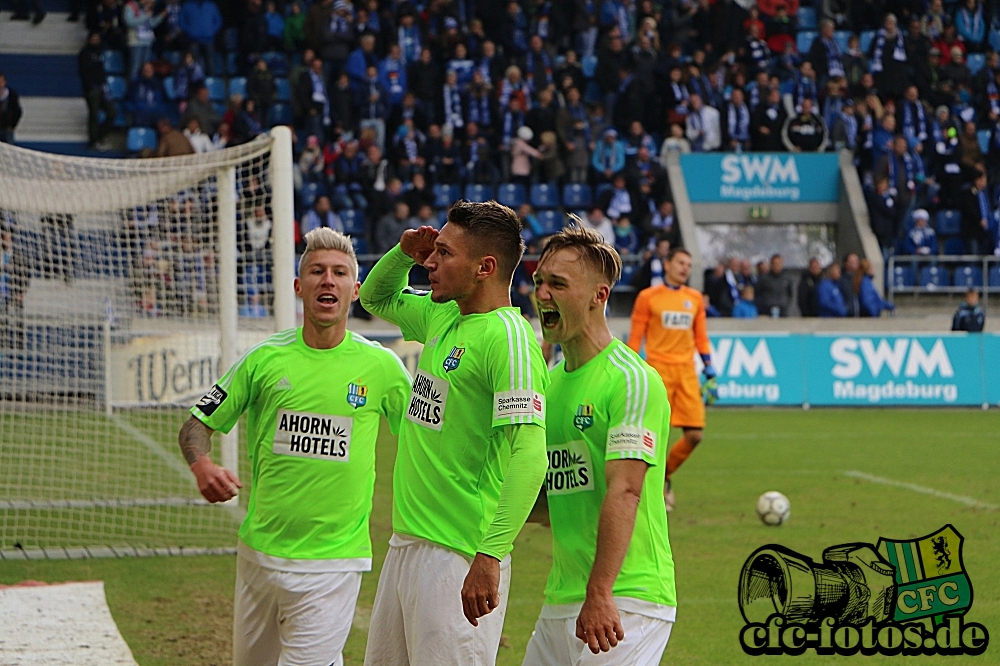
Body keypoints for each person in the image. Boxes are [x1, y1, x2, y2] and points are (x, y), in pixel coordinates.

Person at [179, 228, 411, 666]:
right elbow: (196, 424)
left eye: (340, 273)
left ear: (355, 290)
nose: (328, 280)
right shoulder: (264, 359)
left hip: (334, 562)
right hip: (259, 556)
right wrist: (202, 465)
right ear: (298, 287)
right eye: (317, 271)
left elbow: (426, 436)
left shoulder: (382, 367)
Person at [359, 201, 548, 666]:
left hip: (459, 555)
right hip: (407, 544)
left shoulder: (508, 339)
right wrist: (402, 253)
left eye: (444, 253)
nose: (430, 263)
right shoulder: (445, 314)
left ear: (485, 267)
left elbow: (530, 453)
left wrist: (490, 554)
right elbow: (374, 299)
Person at [523, 226, 676, 665]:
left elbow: (625, 491)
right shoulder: (549, 386)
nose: (543, 294)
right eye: (539, 282)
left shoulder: (630, 380)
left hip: (626, 598)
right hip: (562, 597)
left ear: (598, 295)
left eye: (558, 284)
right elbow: (554, 497)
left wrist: (600, 592)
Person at [627, 248, 715, 512]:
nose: (685, 268)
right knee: (656, 434)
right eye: (680, 262)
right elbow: (635, 336)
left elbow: (700, 336)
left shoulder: (695, 298)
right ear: (667, 265)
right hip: (658, 372)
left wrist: (709, 367)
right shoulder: (648, 297)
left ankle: (664, 475)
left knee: (695, 435)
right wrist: (631, 366)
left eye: (688, 264)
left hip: (687, 372)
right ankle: (653, 489)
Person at [78, 33, 117, 151]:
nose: (96, 40)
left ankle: (100, 136)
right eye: (93, 38)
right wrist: (88, 89)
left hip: (102, 87)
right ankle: (93, 141)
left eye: (97, 38)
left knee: (112, 112)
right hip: (92, 88)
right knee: (94, 114)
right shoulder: (84, 54)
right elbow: (83, 73)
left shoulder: (100, 53)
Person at [0, 74, 23, 144]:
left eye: (1, 81)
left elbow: (17, 111)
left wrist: (12, 125)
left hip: (7, 130)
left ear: (5, 82)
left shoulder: (12, 95)